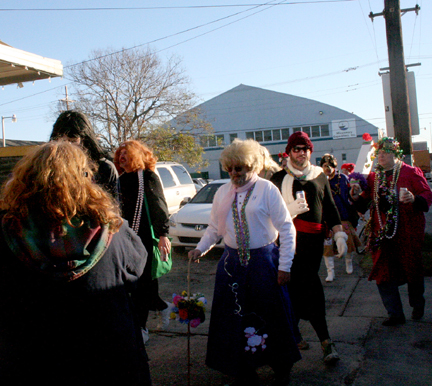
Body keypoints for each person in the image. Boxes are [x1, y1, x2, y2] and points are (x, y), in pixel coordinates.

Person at [0, 141, 151, 386]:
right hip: (107, 361)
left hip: (30, 361)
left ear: (26, 180)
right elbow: (136, 273)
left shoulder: (7, 233)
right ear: (85, 179)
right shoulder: (115, 231)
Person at [188, 138, 300, 386]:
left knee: (272, 316)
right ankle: (241, 368)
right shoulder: (222, 192)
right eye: (230, 169)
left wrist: (285, 266)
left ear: (253, 166)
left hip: (264, 263)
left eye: (239, 168)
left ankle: (281, 365)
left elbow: (286, 228)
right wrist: (199, 249)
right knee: (233, 319)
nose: (234, 173)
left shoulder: (267, 190)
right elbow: (215, 228)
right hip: (232, 266)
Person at [270, 131, 347, 364]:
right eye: (296, 149)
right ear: (288, 152)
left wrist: (339, 233)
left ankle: (310, 339)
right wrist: (290, 210)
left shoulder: (319, 176)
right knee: (295, 291)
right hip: (286, 246)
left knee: (305, 290)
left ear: (310, 152)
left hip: (312, 247)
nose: (301, 153)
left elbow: (331, 209)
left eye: (305, 149)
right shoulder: (277, 179)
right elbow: (269, 215)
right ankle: (316, 340)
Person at [350, 137, 432, 326]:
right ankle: (395, 313)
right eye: (379, 153)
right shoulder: (374, 177)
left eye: (386, 153)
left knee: (412, 270)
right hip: (382, 233)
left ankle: (417, 303)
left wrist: (414, 198)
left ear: (396, 155)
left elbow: (427, 195)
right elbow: (364, 201)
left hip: (408, 232)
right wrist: (354, 197)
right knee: (383, 271)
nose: (381, 156)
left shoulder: (410, 172)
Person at [114, 140, 171, 342]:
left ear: (137, 155)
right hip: (125, 239)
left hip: (145, 238)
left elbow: (159, 206)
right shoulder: (119, 180)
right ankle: (162, 307)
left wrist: (163, 235)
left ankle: (141, 329)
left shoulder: (147, 177)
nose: (121, 157)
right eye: (119, 153)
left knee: (141, 283)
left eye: (126, 153)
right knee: (138, 284)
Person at [50, 110, 119, 197]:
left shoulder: (104, 168)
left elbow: (114, 207)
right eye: (62, 141)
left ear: (85, 140)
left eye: (73, 141)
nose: (67, 146)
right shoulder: (49, 169)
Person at [320, 154, 361, 282]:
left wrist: (355, 193)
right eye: (325, 166)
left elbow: (350, 196)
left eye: (330, 166)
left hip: (342, 216)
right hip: (327, 218)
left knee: (348, 243)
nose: (327, 168)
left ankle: (349, 263)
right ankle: (330, 271)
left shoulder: (342, 178)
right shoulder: (320, 180)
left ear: (334, 166)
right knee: (327, 247)